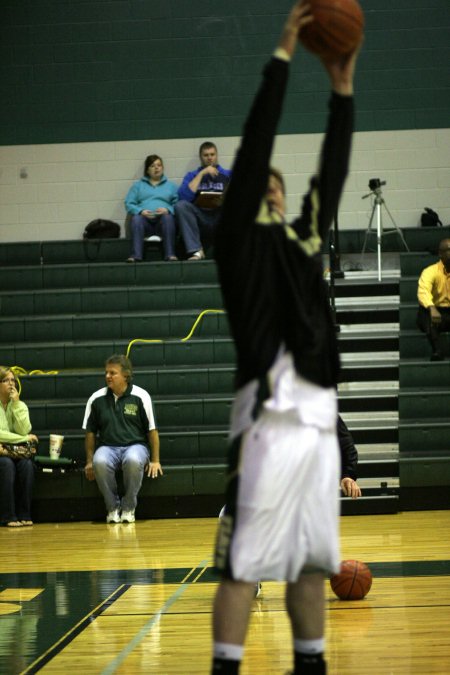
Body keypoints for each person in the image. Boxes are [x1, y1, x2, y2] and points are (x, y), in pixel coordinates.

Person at [211, 2, 360, 673]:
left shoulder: (303, 239)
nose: (274, 187)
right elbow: (257, 139)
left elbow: (331, 173)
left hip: (319, 417)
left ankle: (312, 665)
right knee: (244, 562)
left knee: (308, 559)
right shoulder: (239, 241)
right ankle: (225, 666)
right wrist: (283, 54)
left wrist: (341, 90)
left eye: (279, 185)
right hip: (268, 412)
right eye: (263, 182)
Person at [83, 354, 162, 523]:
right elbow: (90, 432)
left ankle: (128, 507)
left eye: (113, 373)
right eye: (106, 373)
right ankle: (112, 508)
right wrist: (89, 461)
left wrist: (155, 460)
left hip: (135, 445)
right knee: (99, 462)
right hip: (107, 447)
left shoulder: (142, 396)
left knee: (133, 460)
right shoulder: (96, 399)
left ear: (126, 376)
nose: (107, 376)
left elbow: (152, 431)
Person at [175, 141, 232, 260]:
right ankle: (196, 251)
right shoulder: (192, 175)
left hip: (219, 217)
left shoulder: (227, 174)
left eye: (212, 154)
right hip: (200, 218)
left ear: (216, 155)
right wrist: (201, 174)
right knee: (180, 205)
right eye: (206, 155)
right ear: (201, 157)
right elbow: (183, 197)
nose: (209, 158)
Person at [0, 367, 39, 527]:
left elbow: (25, 429)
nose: (11, 384)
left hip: (16, 452)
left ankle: (25, 514)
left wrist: (16, 404)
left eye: (13, 380)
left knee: (27, 465)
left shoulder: (20, 405)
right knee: (6, 465)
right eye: (6, 380)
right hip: (2, 455)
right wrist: (23, 439)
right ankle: (7, 516)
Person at [125, 154, 179, 262]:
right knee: (136, 218)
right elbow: (128, 203)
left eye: (159, 165)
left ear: (162, 168)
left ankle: (170, 255)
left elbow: (177, 203)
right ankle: (136, 255)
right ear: (147, 170)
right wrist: (140, 211)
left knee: (168, 218)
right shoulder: (138, 186)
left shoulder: (171, 186)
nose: (156, 168)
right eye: (153, 166)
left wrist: (168, 210)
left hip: (162, 223)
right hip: (145, 223)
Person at [417, 238, 450, 361]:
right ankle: (437, 350)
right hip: (436, 310)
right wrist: (432, 308)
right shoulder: (430, 271)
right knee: (425, 313)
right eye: (449, 250)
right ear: (440, 254)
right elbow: (423, 291)